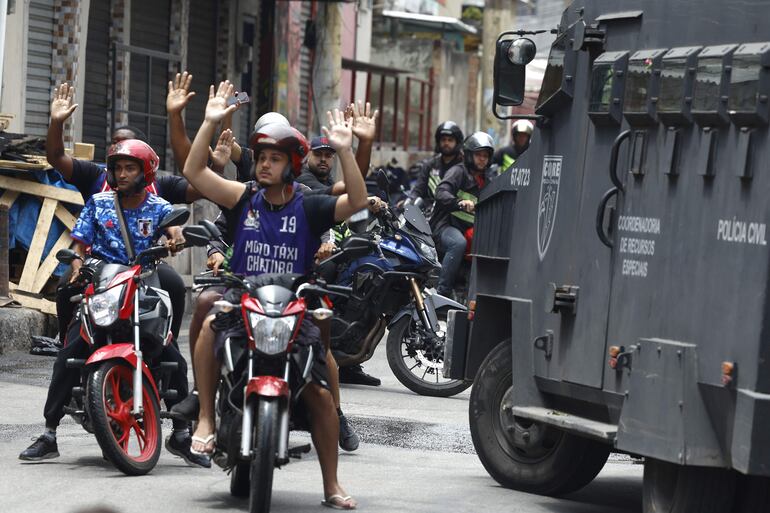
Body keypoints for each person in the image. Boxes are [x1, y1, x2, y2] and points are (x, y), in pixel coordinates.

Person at [182, 81, 368, 510]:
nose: (264, 165)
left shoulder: (310, 204)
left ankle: (332, 485)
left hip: (293, 308)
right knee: (211, 323)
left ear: (292, 165)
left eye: (274, 159)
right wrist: (209, 123)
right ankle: (207, 418)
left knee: (321, 397)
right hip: (245, 297)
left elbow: (357, 201)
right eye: (261, 157)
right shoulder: (243, 197)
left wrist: (345, 150)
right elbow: (195, 174)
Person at [19, 140, 207, 467]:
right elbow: (80, 242)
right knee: (71, 351)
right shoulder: (99, 202)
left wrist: (175, 236)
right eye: (117, 168)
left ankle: (180, 434)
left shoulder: (157, 204)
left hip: (143, 280)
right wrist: (76, 264)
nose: (121, 174)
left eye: (129, 168)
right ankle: (49, 433)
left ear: (145, 171)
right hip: (104, 279)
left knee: (172, 355)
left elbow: (172, 224)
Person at [44, 82, 204, 350]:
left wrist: (174, 237)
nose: (122, 170)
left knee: (175, 285)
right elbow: (56, 157)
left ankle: (167, 340)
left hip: (144, 264)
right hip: (101, 264)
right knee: (66, 287)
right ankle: (68, 341)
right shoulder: (95, 184)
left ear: (144, 164)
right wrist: (57, 122)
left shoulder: (159, 191)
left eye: (130, 162)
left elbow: (193, 193)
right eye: (116, 156)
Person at [297, 135, 383, 387]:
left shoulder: (326, 181)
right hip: (310, 260)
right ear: (306, 157)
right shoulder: (304, 182)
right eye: (318, 154)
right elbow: (343, 196)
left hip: (331, 250)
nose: (323, 159)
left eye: (328, 155)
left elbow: (349, 192)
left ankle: (349, 362)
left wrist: (360, 144)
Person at [431, 132, 495, 298]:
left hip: (470, 229)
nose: (482, 159)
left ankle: (472, 294)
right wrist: (459, 202)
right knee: (458, 243)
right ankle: (441, 294)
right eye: (478, 155)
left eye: (485, 156)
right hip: (445, 226)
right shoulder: (458, 172)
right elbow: (441, 191)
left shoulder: (487, 182)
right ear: (469, 155)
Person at [405, 121, 464, 208]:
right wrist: (411, 199)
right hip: (428, 213)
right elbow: (419, 189)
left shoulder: (462, 167)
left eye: (450, 140)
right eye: (443, 140)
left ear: (457, 142)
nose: (446, 143)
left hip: (453, 210)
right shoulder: (430, 164)